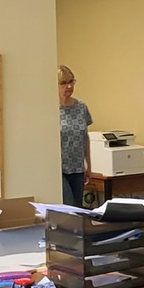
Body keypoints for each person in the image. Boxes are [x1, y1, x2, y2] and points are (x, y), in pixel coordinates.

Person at [58, 65, 92, 205]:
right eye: (64, 83)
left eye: (71, 82)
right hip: (59, 169)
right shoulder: (50, 108)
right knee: (69, 206)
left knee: (78, 210)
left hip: (77, 168)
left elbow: (85, 137)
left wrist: (89, 165)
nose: (69, 87)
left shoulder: (81, 107)